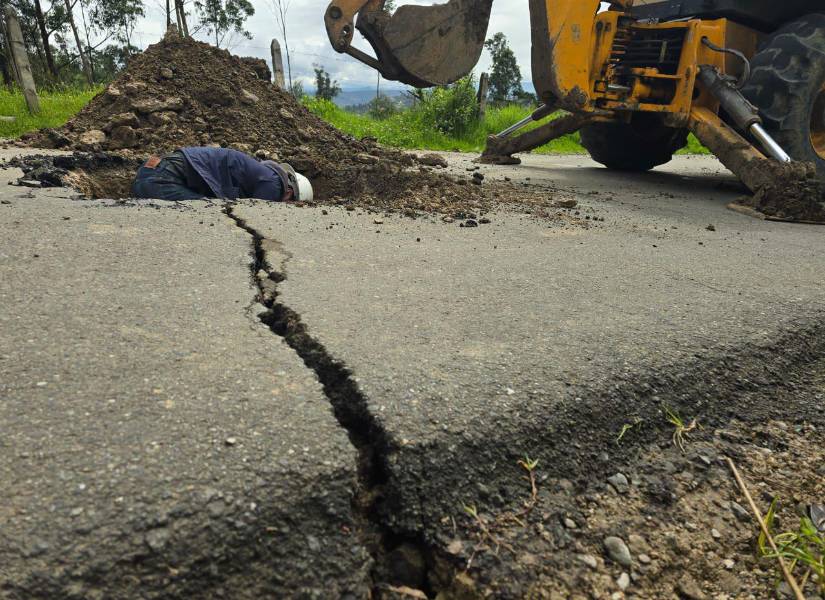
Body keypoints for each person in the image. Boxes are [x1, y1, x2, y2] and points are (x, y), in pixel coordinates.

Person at [131, 147, 313, 202]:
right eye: (290, 204)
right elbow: (258, 216)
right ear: (289, 192)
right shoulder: (273, 184)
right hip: (160, 178)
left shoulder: (259, 173)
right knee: (207, 211)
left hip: (150, 170)